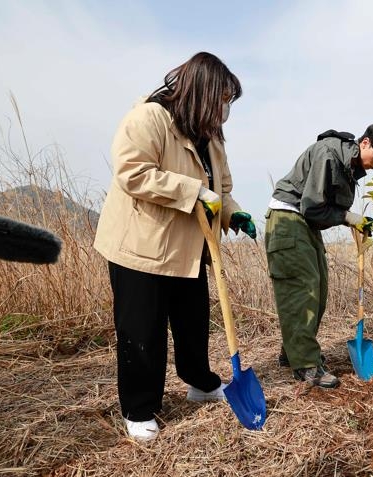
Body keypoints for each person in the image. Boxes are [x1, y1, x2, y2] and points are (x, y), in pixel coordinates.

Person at [93, 52, 257, 442]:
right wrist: (194, 190)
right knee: (143, 330)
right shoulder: (149, 118)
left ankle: (200, 382)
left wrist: (233, 213)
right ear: (201, 93)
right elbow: (133, 172)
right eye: (221, 101)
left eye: (227, 104)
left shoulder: (212, 139)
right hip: (142, 245)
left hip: (188, 247)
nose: (224, 111)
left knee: (193, 323)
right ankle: (139, 407)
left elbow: (223, 190)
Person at [265, 124, 373, 388]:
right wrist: (348, 217)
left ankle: (293, 352)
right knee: (303, 290)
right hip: (288, 220)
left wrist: (352, 219)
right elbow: (313, 207)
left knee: (319, 289)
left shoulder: (349, 167)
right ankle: (305, 364)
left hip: (305, 224)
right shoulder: (329, 154)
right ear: (365, 143)